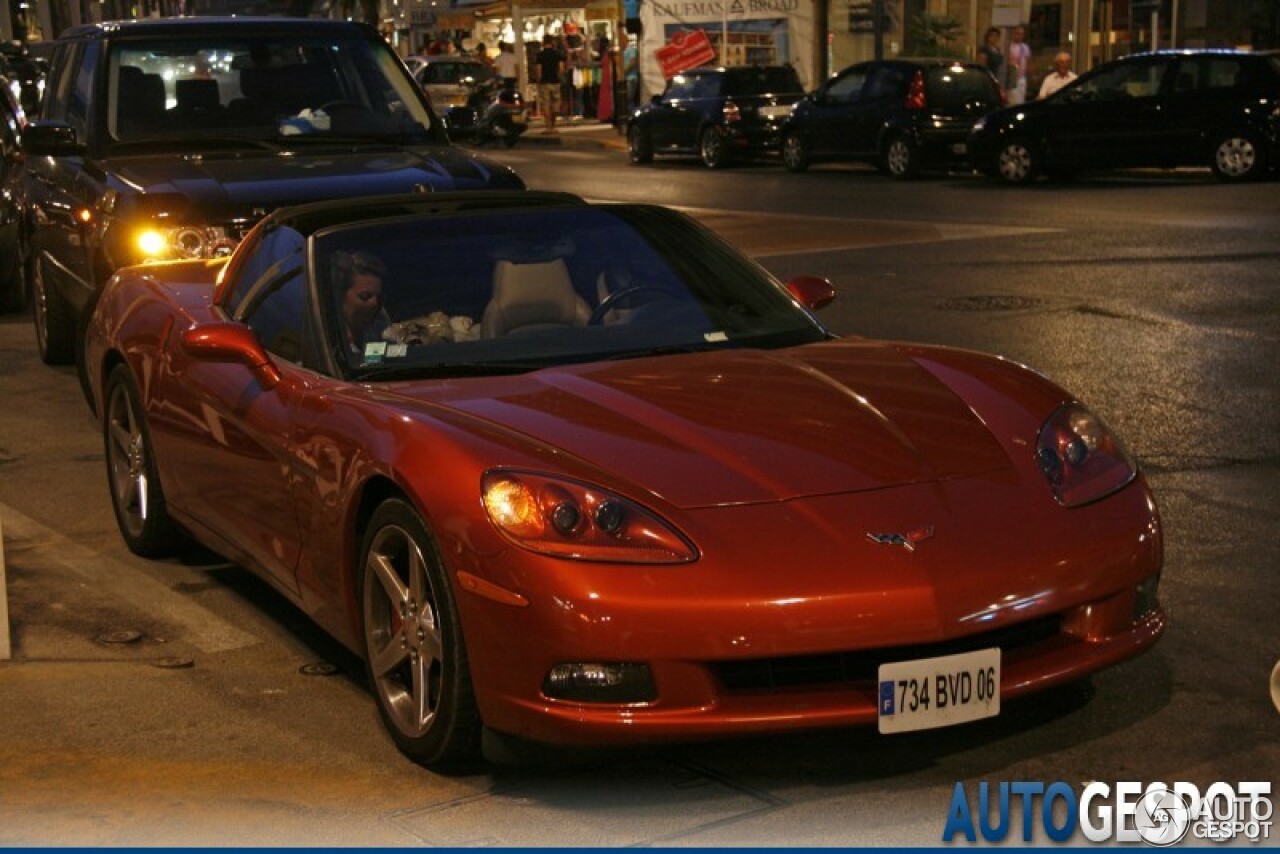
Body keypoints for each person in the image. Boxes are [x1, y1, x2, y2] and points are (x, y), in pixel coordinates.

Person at [333, 250, 390, 356]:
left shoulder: (380, 328)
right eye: (365, 296)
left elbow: (376, 362)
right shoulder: (331, 345)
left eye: (378, 297)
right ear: (341, 297)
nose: (374, 303)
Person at [535, 35, 564, 134]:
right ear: (552, 42)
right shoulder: (557, 54)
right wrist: (559, 78)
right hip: (555, 82)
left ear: (543, 42)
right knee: (555, 104)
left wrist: (538, 82)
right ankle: (553, 125)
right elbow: (561, 69)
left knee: (546, 105)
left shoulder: (540, 55)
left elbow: (539, 71)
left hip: (544, 82)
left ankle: (548, 127)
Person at [1006, 24, 1030, 105]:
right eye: (1017, 33)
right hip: (1012, 77)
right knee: (1012, 100)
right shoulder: (1008, 46)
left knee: (1021, 100)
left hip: (1022, 78)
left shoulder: (1025, 47)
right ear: (1013, 34)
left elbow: (1028, 62)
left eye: (1022, 34)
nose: (1020, 36)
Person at [623, 34, 640, 115]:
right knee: (628, 100)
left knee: (629, 99)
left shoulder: (631, 50)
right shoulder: (624, 51)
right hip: (629, 78)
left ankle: (633, 116)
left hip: (632, 78)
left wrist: (625, 71)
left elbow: (633, 61)